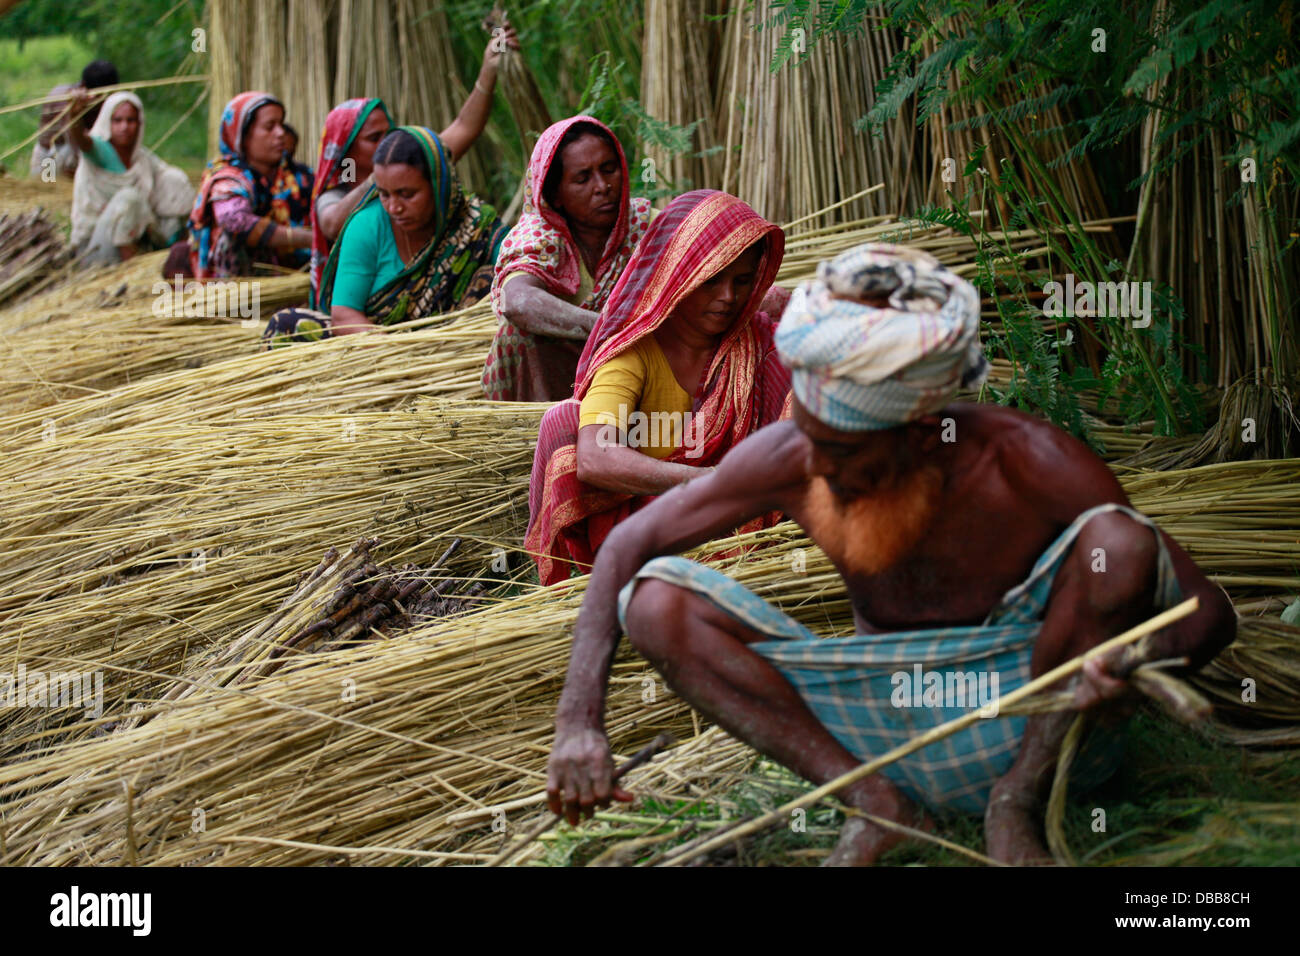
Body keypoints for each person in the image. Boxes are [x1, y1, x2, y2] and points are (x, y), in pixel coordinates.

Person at [544, 242, 1236, 865]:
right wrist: (579, 720)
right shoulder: (796, 458)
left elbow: (1206, 613)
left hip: (1032, 717)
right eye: (810, 439)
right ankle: (876, 803)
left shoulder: (1029, 464)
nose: (817, 470)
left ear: (922, 429)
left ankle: (1015, 804)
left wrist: (1133, 666)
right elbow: (630, 545)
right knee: (658, 601)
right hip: (880, 722)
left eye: (843, 451)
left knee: (1114, 544)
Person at [525, 190, 793, 586]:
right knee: (564, 421)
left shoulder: (755, 342)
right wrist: (715, 482)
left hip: (751, 525)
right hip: (651, 540)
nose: (728, 298)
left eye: (742, 281)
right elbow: (596, 457)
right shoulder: (635, 351)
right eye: (711, 281)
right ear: (676, 274)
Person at [309, 25, 520, 306]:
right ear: (348, 150)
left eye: (389, 132)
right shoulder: (336, 197)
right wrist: (384, 176)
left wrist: (489, 69)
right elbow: (333, 223)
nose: (388, 141)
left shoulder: (416, 167)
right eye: (374, 139)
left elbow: (464, 127)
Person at [261, 126, 503, 346]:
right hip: (374, 352)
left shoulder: (474, 224)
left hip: (453, 348)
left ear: (439, 184)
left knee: (497, 280)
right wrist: (396, 353)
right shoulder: (366, 224)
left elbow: (522, 262)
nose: (394, 207)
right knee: (287, 326)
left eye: (407, 194)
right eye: (384, 194)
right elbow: (344, 312)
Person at [481, 115, 654, 402]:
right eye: (583, 179)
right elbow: (516, 301)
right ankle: (541, 433)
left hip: (639, 364)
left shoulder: (646, 227)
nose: (602, 186)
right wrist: (606, 328)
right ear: (556, 194)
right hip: (563, 379)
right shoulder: (539, 235)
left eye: (609, 170)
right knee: (517, 336)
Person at [186, 91, 314, 280]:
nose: (281, 133)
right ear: (243, 136)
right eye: (270, 127)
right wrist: (311, 240)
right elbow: (235, 221)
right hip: (244, 289)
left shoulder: (299, 175)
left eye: (281, 124)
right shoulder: (228, 177)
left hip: (304, 277)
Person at [66, 91, 194, 267]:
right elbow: (81, 140)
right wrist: (74, 115)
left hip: (136, 240)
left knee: (177, 183)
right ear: (107, 123)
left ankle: (178, 260)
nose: (124, 127)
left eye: (130, 120)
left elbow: (172, 183)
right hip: (95, 250)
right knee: (129, 198)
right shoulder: (100, 150)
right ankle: (132, 272)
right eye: (117, 120)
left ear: (139, 124)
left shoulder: (142, 160)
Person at [28, 61, 118, 179]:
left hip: (73, 152)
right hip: (49, 158)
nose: (104, 101)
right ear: (84, 86)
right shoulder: (66, 101)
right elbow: (77, 144)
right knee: (73, 155)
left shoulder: (101, 100)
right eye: (101, 97)